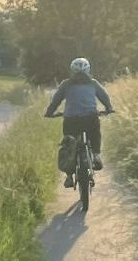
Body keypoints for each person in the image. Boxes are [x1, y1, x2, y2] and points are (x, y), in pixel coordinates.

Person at [44, 57, 112, 188]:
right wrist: (109, 108)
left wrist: (50, 112)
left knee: (69, 146)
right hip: (90, 119)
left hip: (71, 120)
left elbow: (56, 100)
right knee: (95, 134)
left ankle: (69, 176)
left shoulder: (66, 84)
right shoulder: (93, 83)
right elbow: (104, 96)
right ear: (88, 70)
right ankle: (96, 155)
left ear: (72, 71)